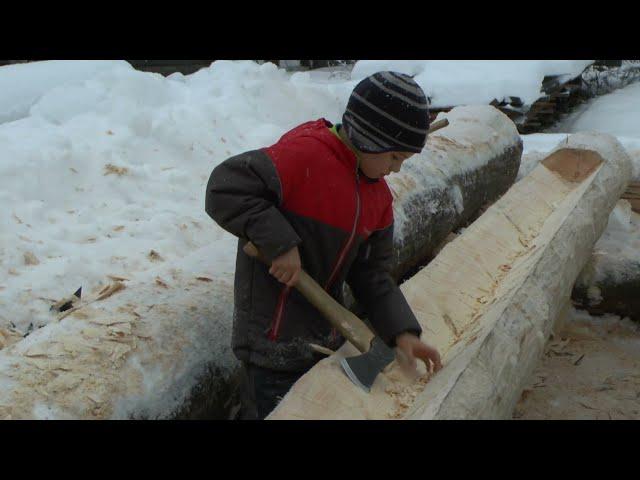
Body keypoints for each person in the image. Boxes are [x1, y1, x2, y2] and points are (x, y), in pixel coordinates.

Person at [205, 71, 442, 420]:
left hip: (322, 342)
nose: (395, 169)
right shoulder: (304, 156)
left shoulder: (377, 198)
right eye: (394, 158)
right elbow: (224, 188)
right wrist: (280, 243)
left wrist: (402, 332)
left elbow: (373, 274)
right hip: (271, 341)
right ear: (369, 139)